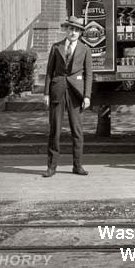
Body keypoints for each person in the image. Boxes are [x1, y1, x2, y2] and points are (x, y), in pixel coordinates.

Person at [42, 15, 93, 177]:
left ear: (80, 33)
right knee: (55, 130)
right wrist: (46, 93)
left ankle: (77, 165)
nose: (73, 33)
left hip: (76, 93)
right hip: (57, 90)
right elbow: (49, 71)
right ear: (67, 30)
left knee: (77, 131)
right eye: (71, 29)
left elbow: (89, 75)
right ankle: (51, 167)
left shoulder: (85, 50)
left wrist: (87, 96)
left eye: (77, 30)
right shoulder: (56, 47)